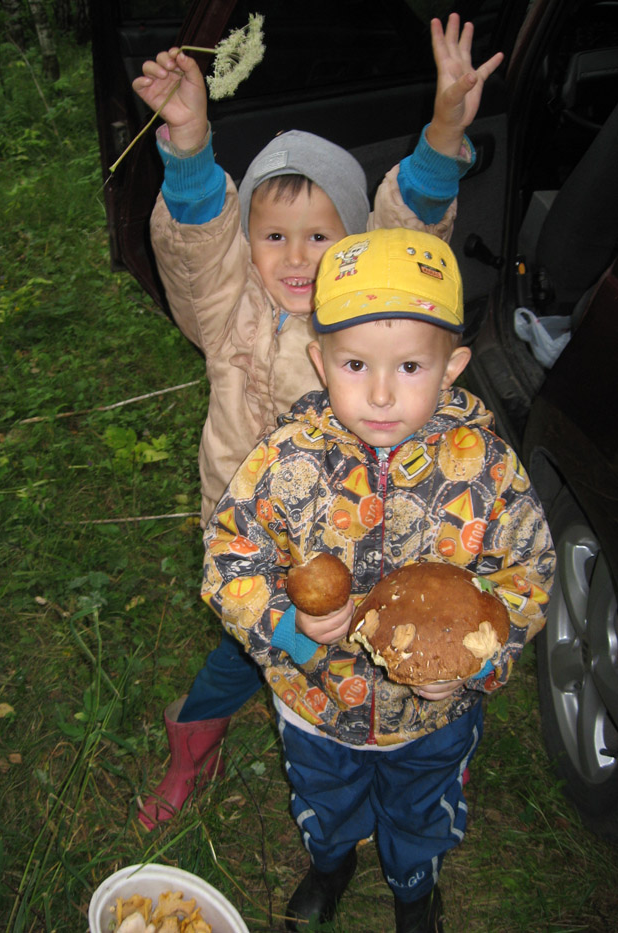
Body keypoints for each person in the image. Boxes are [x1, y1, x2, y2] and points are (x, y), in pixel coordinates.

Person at [132, 15, 504, 831]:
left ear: (353, 245)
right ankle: (193, 744)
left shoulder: (364, 321)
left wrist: (445, 133)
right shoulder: (226, 308)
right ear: (248, 244)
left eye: (319, 237)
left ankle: (413, 745)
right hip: (255, 542)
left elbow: (409, 233)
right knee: (252, 647)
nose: (296, 258)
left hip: (363, 531)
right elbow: (197, 248)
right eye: (273, 237)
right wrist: (188, 146)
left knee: (381, 638)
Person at [202, 226, 555, 932]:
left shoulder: (485, 468)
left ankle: (414, 886)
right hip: (315, 700)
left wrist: (477, 663)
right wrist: (291, 627)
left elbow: (530, 573)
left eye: (411, 367)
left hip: (430, 718)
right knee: (324, 795)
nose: (383, 393)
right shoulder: (285, 462)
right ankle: (331, 863)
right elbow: (229, 559)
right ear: (320, 360)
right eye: (356, 364)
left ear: (452, 367)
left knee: (422, 807)